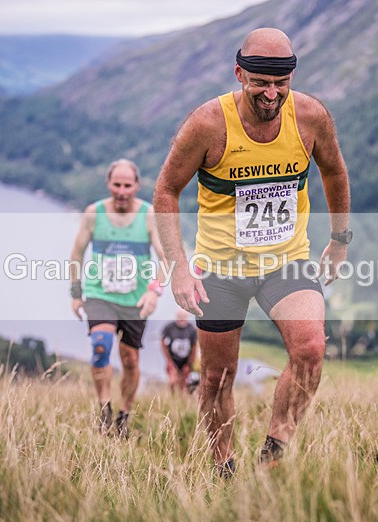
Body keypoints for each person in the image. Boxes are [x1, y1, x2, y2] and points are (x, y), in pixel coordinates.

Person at [153, 28, 351, 475]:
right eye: (260, 81)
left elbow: (335, 173)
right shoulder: (207, 123)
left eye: (281, 83)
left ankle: (274, 450)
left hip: (286, 259)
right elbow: (166, 191)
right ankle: (224, 470)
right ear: (239, 73)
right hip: (220, 268)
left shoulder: (310, 117)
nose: (271, 93)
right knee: (218, 379)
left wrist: (339, 241)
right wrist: (179, 269)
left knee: (311, 349)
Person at [70, 158, 166, 438]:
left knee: (130, 361)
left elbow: (164, 257)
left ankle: (124, 413)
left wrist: (153, 291)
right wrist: (76, 294)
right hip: (100, 294)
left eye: (127, 185)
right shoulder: (93, 214)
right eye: (116, 185)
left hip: (135, 299)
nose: (122, 191)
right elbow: (76, 254)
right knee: (101, 346)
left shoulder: (148, 215)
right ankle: (104, 409)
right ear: (108, 184)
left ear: (137, 185)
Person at [161, 309, 199, 395]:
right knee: (173, 381)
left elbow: (194, 347)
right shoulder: (169, 328)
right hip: (173, 359)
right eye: (180, 317)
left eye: (184, 318)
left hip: (186, 360)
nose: (182, 320)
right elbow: (162, 342)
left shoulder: (191, 329)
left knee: (183, 383)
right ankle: (173, 398)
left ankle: (181, 400)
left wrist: (189, 364)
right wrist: (168, 361)